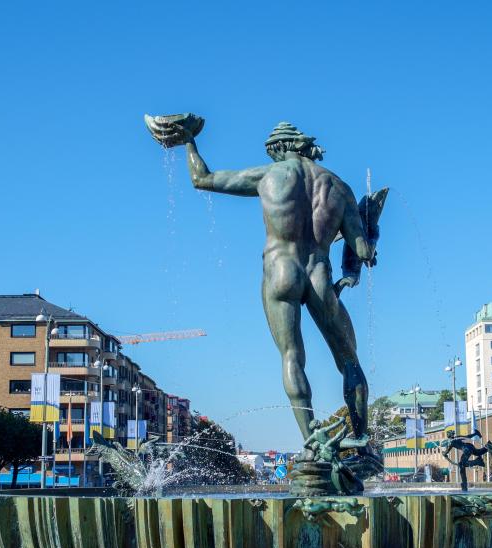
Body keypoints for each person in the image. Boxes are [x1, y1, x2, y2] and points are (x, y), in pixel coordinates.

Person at [158, 120, 382, 472]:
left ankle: (313, 442)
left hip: (280, 270)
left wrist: (189, 144)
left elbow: (202, 179)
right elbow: (364, 251)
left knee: (292, 357)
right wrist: (371, 227)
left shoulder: (269, 176)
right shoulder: (339, 187)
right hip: (320, 274)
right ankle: (363, 443)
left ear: (278, 149)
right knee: (350, 362)